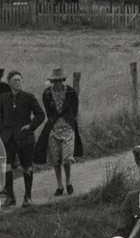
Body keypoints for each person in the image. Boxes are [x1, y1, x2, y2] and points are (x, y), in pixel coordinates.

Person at [34, 68, 83, 196]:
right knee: (55, 159)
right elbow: (49, 111)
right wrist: (54, 120)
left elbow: (75, 109)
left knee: (67, 158)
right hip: (53, 128)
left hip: (67, 128)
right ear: (51, 81)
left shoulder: (71, 92)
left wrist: (69, 121)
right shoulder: (47, 93)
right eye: (54, 81)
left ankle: (68, 182)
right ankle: (59, 185)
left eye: (59, 81)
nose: (57, 83)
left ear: (63, 80)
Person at [0, 70, 45, 207]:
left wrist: (30, 126)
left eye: (20, 80)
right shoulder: (3, 98)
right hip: (8, 138)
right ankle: (10, 197)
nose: (18, 82)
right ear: (9, 82)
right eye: (15, 80)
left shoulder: (28, 97)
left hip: (25, 138)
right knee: (6, 167)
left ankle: (28, 197)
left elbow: (40, 115)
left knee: (27, 166)